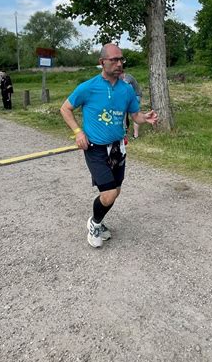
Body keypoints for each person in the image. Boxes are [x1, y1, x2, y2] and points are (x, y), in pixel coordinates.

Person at [60, 43, 158, 248]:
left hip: (117, 148)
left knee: (116, 190)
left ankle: (99, 221)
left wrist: (144, 118)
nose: (119, 63)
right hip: (95, 148)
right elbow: (65, 109)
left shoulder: (126, 90)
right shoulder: (88, 87)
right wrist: (78, 132)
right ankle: (94, 223)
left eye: (121, 59)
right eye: (114, 60)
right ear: (102, 62)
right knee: (109, 193)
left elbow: (135, 116)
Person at [121, 71, 142, 139]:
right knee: (123, 114)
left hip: (136, 96)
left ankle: (135, 135)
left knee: (135, 114)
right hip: (128, 96)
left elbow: (126, 90)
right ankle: (124, 133)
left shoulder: (127, 78)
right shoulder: (120, 79)